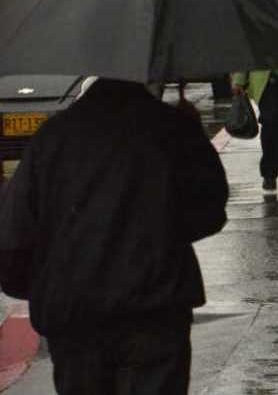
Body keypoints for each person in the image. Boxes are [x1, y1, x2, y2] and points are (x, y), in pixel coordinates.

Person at [0, 78, 229, 395]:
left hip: (75, 316)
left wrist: (40, 288)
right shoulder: (171, 128)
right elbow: (209, 213)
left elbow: (15, 233)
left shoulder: (52, 137)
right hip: (154, 308)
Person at [231, 70, 278, 193]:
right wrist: (239, 80)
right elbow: (247, 52)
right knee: (271, 125)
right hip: (266, 82)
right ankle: (269, 174)